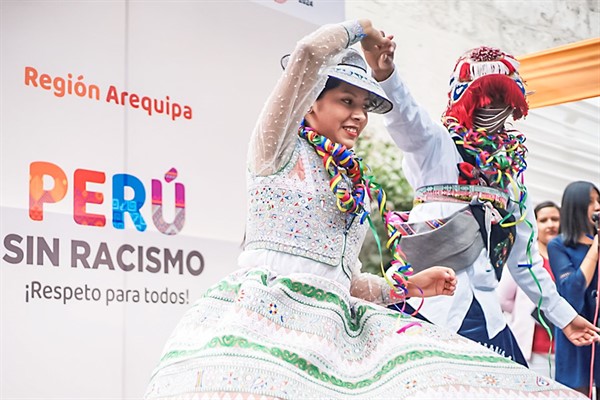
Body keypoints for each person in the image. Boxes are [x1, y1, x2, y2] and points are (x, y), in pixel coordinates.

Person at [145, 20, 589, 399]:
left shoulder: (352, 182)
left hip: (335, 338)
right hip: (264, 329)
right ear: (311, 100)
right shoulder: (275, 151)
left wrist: (410, 285)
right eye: (346, 101)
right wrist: (363, 29)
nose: (358, 115)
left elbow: (343, 281)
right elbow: (308, 56)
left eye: (364, 105)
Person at [360, 34, 600, 367]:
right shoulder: (436, 147)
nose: (491, 108)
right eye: (483, 97)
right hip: (424, 308)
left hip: (487, 317)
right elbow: (406, 119)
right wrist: (386, 74)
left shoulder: (512, 179)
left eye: (501, 98)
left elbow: (525, 262)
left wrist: (565, 316)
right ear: (463, 99)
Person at [548, 181, 600, 398]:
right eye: (590, 202)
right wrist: (596, 248)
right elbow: (571, 290)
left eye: (599, 200)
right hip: (578, 329)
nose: (597, 206)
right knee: (576, 392)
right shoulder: (558, 246)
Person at [498, 201, 561, 377]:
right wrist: (525, 311)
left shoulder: (566, 260)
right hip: (531, 349)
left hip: (562, 351)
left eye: (555, 219)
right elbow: (502, 298)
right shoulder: (525, 260)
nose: (550, 224)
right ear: (535, 224)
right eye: (544, 220)